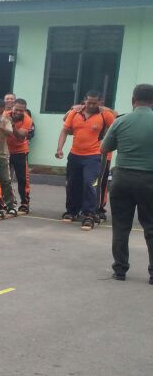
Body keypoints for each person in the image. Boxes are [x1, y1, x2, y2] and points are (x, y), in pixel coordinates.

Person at [101, 83, 153, 283]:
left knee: (121, 226)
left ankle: (120, 270)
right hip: (149, 179)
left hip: (122, 178)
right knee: (150, 227)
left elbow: (105, 148)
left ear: (133, 100)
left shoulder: (120, 121)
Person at [57, 91, 114, 230]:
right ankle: (72, 211)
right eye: (89, 102)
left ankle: (89, 214)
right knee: (72, 183)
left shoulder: (104, 114)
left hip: (94, 156)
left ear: (100, 102)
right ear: (84, 100)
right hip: (75, 155)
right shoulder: (75, 113)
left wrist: (107, 146)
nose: (91, 105)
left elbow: (115, 129)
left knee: (90, 184)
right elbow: (65, 130)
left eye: (95, 103)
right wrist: (59, 148)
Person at [6, 98, 34, 214]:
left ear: (25, 110)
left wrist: (12, 126)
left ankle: (24, 203)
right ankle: (9, 201)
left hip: (20, 152)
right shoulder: (5, 115)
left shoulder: (27, 119)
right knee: (4, 179)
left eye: (21, 111)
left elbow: (20, 137)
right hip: (5, 151)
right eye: (16, 110)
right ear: (12, 107)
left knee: (23, 179)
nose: (18, 112)